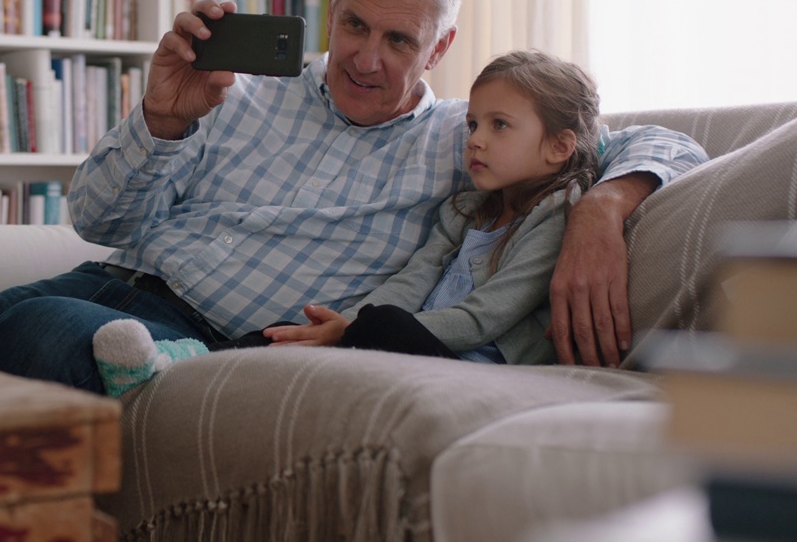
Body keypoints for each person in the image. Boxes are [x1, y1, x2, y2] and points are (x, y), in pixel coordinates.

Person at [0, 0, 707, 392]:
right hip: (104, 284)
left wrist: (606, 203)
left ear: (441, 45)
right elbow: (95, 219)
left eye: (399, 40)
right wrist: (161, 121)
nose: (368, 59)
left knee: (37, 327)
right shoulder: (234, 90)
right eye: (355, 26)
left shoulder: (470, 140)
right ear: (330, 12)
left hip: (203, 344)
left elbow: (656, 140)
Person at [90, 51, 602, 396]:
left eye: (499, 126)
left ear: (560, 146)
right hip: (416, 340)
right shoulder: (467, 208)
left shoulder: (557, 214)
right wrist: (340, 325)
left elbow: (485, 316)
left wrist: (363, 330)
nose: (474, 139)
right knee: (292, 334)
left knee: (378, 326)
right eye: (472, 124)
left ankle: (190, 367)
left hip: (481, 360)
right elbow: (412, 279)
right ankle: (179, 365)